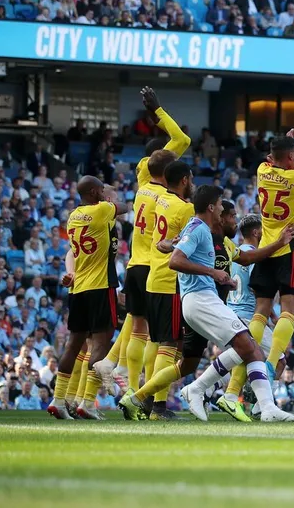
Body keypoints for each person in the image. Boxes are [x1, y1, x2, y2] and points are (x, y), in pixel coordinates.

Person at [120, 201, 294, 421]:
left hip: (213, 308)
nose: (234, 220)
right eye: (231, 216)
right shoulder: (202, 236)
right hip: (202, 305)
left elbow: (249, 257)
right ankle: (228, 396)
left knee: (187, 364)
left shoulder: (227, 245)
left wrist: (279, 243)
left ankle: (137, 397)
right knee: (250, 348)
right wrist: (172, 248)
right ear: (220, 218)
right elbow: (172, 250)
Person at [92, 87, 190, 396]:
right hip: (154, 268)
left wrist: (154, 113)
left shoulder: (142, 180)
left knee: (136, 328)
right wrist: (159, 111)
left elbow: (169, 152)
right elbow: (183, 141)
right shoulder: (171, 200)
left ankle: (123, 379)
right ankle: (143, 396)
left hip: (133, 263)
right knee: (155, 338)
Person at [48, 175, 126, 420]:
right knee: (101, 345)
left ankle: (60, 400)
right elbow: (128, 206)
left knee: (75, 345)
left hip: (79, 289)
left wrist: (71, 272)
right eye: (104, 192)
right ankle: (87, 403)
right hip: (100, 287)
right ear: (96, 193)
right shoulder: (103, 210)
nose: (108, 197)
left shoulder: (73, 216)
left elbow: (72, 250)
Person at [249, 126, 294, 375]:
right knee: (289, 310)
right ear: (291, 157)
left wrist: (285, 144)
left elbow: (273, 161)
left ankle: (249, 358)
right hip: (289, 248)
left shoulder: (261, 171)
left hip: (266, 248)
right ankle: (270, 365)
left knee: (261, 310)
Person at [127, 160, 195, 420]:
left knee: (157, 341)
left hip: (153, 277)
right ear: (185, 180)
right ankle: (156, 405)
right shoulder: (185, 208)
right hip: (170, 281)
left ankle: (147, 400)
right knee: (171, 343)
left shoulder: (158, 200)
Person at [221, 214, 288, 420]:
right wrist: (273, 314)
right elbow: (258, 288)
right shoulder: (255, 256)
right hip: (249, 315)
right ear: (257, 232)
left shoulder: (235, 253)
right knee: (280, 361)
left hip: (230, 313)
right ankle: (260, 404)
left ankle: (215, 391)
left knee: (244, 358)